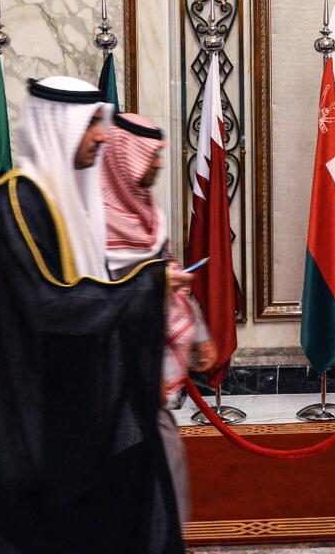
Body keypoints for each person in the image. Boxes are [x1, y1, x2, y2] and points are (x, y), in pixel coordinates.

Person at [0, 77, 189, 553]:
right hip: (32, 416)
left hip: (72, 409)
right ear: (58, 128)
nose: (102, 135)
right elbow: (52, 304)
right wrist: (150, 283)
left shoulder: (66, 204)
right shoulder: (14, 202)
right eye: (92, 124)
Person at [101, 111, 216, 526]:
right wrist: (152, 284)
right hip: (114, 369)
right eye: (151, 156)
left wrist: (199, 333)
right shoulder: (93, 219)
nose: (158, 163)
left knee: (163, 464)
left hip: (150, 361)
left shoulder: (148, 211)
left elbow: (170, 276)